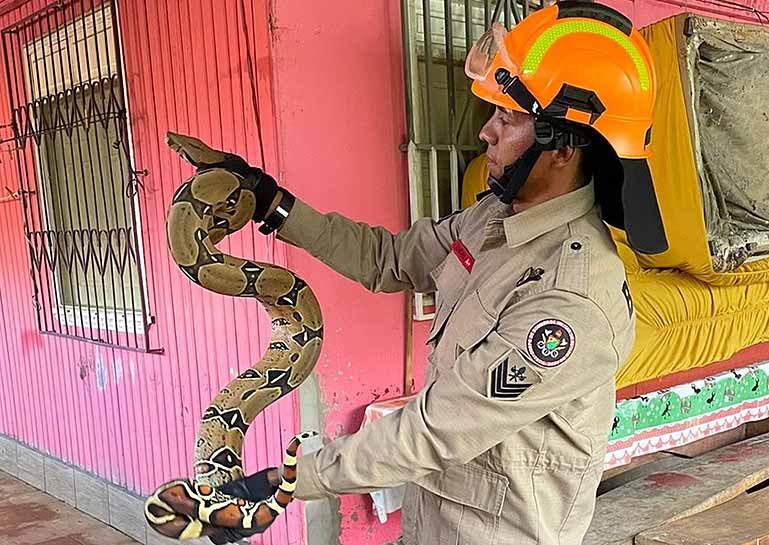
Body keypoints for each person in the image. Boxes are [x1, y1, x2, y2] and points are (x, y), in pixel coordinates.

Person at [211, 2, 657, 543]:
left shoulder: (570, 302)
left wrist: (286, 483)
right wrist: (275, 205)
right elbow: (390, 258)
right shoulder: (492, 217)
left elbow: (433, 431)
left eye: (508, 118)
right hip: (433, 524)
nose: (487, 133)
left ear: (562, 146)